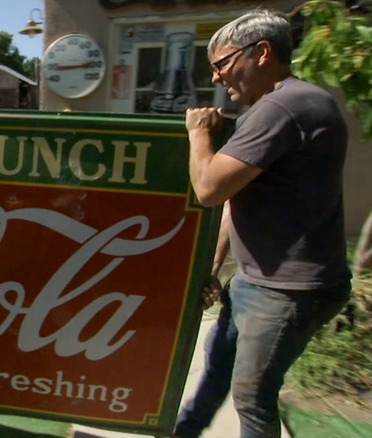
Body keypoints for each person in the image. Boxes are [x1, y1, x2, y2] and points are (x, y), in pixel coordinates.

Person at [174, 9, 352, 438]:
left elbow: (211, 189)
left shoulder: (281, 107)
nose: (216, 77)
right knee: (217, 373)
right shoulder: (289, 104)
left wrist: (198, 134)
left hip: (287, 289)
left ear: (263, 52)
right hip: (258, 281)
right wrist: (212, 266)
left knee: (253, 400)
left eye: (221, 64)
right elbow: (238, 198)